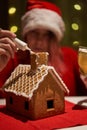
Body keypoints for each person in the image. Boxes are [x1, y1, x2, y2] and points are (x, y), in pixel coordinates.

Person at [0, 0, 87, 98]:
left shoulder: (70, 56)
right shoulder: (11, 57)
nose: (39, 41)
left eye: (47, 35)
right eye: (34, 33)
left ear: (54, 38)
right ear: (26, 34)